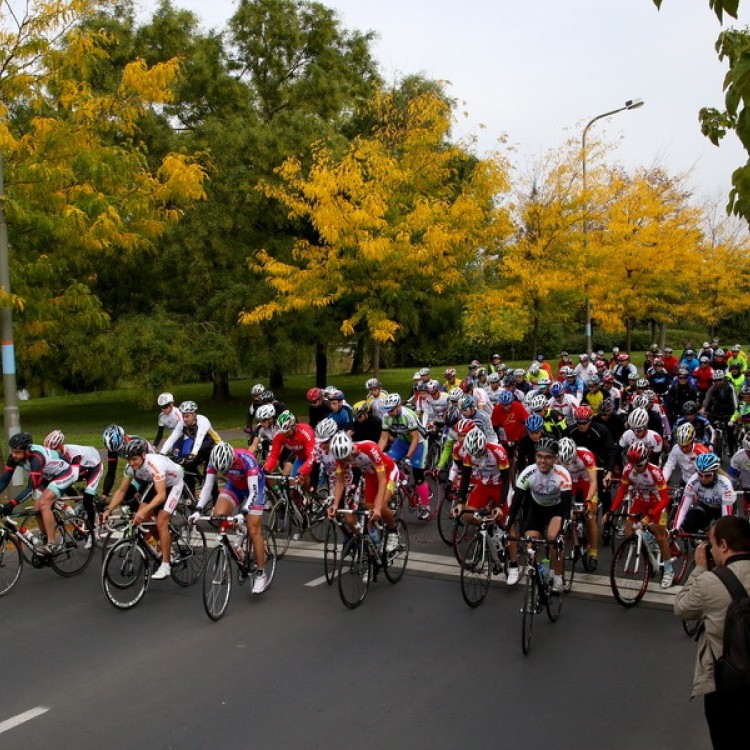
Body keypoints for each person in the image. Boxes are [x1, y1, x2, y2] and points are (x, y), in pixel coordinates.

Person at [674, 515, 750, 749]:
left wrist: (698, 569)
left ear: (724, 545)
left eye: (713, 544)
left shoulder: (710, 581)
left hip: (727, 684)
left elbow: (682, 607)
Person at [189, 442, 270, 594]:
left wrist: (243, 513)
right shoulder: (214, 461)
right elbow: (207, 486)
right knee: (217, 516)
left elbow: (253, 493)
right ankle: (240, 532)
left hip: (254, 488)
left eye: (226, 468)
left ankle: (261, 574)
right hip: (234, 486)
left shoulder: (247, 460)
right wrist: (198, 510)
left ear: (232, 458)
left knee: (254, 529)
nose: (224, 471)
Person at [102, 438, 185, 580]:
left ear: (143, 455)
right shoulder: (130, 468)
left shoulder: (154, 464)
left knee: (161, 521)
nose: (132, 463)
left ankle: (165, 566)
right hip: (158, 482)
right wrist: (108, 509)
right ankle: (163, 546)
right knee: (143, 519)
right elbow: (122, 491)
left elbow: (161, 495)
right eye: (129, 460)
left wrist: (143, 510)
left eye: (134, 459)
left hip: (174, 483)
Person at [505, 437, 572, 591]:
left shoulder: (563, 474)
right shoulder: (528, 473)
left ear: (555, 458)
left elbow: (566, 508)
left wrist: (564, 528)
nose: (543, 461)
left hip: (556, 509)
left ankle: (558, 577)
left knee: (553, 539)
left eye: (548, 457)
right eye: (539, 456)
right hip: (536, 509)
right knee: (531, 544)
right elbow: (515, 504)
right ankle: (538, 572)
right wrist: (507, 527)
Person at [606, 440, 674, 587]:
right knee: (628, 530)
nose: (635, 469)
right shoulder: (628, 470)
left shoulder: (655, 472)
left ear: (645, 460)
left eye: (639, 465)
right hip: (640, 501)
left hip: (657, 503)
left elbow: (665, 499)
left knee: (660, 537)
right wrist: (612, 510)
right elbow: (622, 491)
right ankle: (646, 541)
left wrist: (651, 515)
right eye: (632, 465)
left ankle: (668, 570)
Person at [0, 432, 77, 555]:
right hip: (48, 475)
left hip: (64, 473)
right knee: (37, 507)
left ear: (27, 450)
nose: (14, 455)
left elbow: (31, 488)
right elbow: (4, 480)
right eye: (13, 451)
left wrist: (11, 504)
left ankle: (51, 544)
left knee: (44, 504)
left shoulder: (36, 458)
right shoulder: (14, 457)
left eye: (18, 452)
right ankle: (46, 537)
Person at [327, 432, 399, 551]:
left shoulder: (369, 448)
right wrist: (335, 505)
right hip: (370, 476)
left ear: (351, 449)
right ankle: (376, 542)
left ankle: (393, 532)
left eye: (346, 457)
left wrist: (378, 507)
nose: (345, 460)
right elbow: (340, 482)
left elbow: (382, 481)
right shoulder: (340, 458)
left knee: (381, 506)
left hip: (388, 472)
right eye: (342, 459)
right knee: (368, 508)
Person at [43, 430, 104, 549]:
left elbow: (73, 476)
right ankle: (79, 504)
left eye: (53, 451)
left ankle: (93, 534)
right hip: (81, 469)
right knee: (61, 481)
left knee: (87, 500)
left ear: (60, 446)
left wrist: (56, 491)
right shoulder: (57, 454)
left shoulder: (73, 453)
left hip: (94, 468)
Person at [379, 393, 432, 520]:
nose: (389, 413)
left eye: (391, 410)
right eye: (387, 410)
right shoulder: (387, 416)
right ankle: (404, 481)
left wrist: (408, 457)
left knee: (418, 475)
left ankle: (425, 506)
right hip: (402, 441)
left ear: (398, 406)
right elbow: (383, 438)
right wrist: (377, 454)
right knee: (388, 463)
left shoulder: (408, 415)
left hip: (419, 442)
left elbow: (414, 438)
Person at [160, 400, 221, 498]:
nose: (184, 419)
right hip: (200, 449)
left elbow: (199, 439)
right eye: (183, 416)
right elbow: (172, 438)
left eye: (187, 416)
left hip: (214, 447)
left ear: (194, 414)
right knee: (187, 469)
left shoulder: (202, 421)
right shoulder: (182, 424)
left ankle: (215, 501)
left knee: (209, 475)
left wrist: (193, 454)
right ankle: (191, 498)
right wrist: (162, 453)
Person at [671, 453, 735, 534]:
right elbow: (683, 508)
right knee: (689, 520)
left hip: (721, 508)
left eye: (708, 475)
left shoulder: (725, 485)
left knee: (720, 531)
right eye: (700, 475)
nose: (703, 479)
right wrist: (675, 528)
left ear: (715, 473)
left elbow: (726, 517)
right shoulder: (693, 480)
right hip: (705, 506)